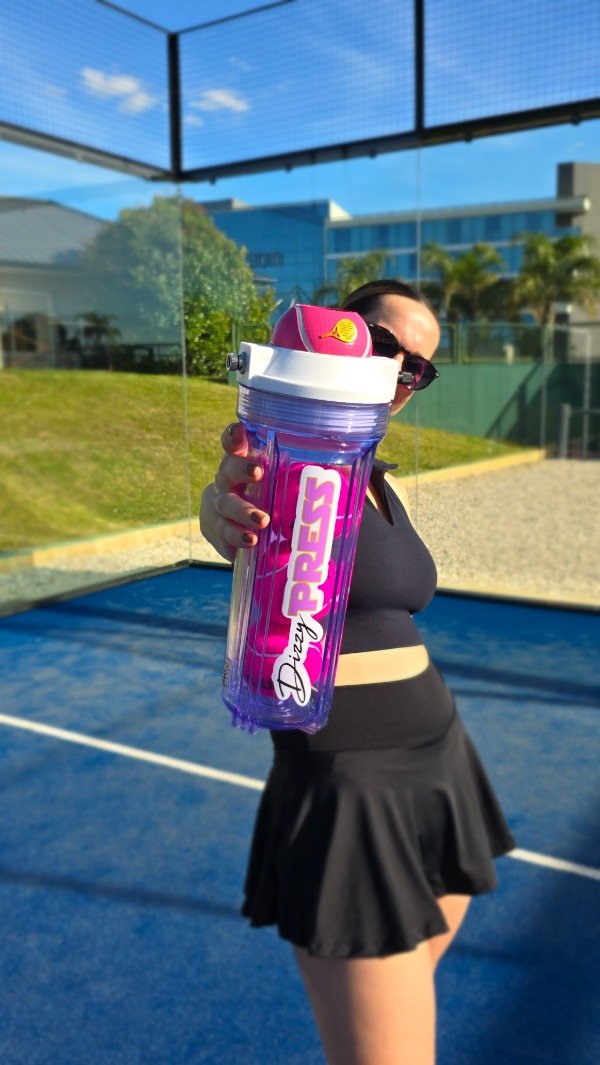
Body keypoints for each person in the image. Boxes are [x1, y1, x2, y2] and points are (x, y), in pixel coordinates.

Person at [200, 279, 515, 1065]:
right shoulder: (290, 453)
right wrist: (220, 505)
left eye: (418, 367)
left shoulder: (370, 471)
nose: (399, 370)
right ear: (339, 332)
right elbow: (234, 501)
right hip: (352, 787)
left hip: (440, 761)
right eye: (384, 343)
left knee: (396, 1017)